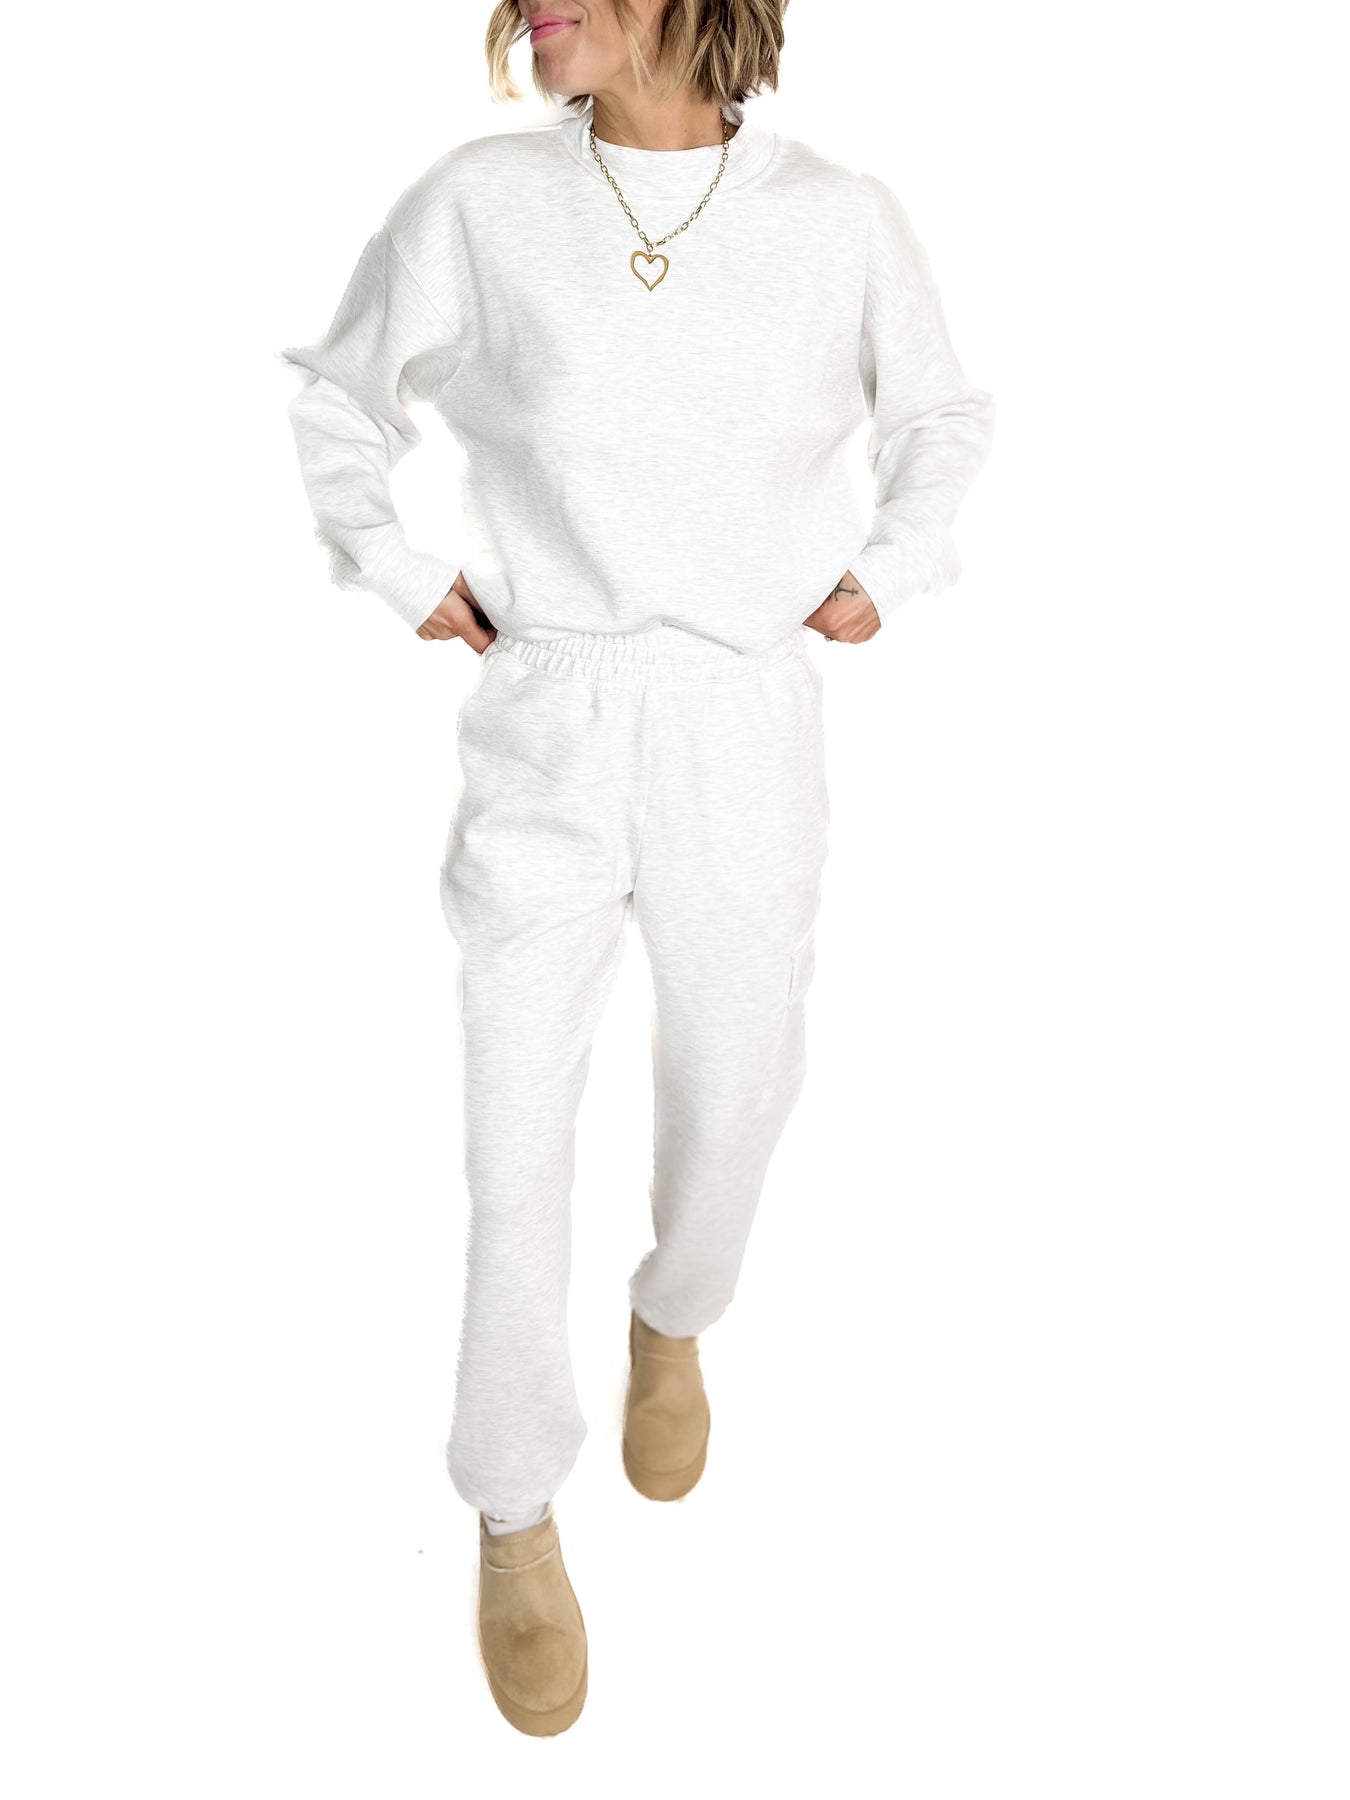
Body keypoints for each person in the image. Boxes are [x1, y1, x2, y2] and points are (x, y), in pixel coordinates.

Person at [278, 0, 995, 1737]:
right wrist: (395, 569)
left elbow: (942, 416)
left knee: (737, 1078)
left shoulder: (836, 219)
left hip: (740, 715)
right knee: (513, 1135)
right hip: (547, 711)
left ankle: (674, 1315)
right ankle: (511, 1506)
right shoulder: (477, 204)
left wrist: (893, 565)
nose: (530, 6)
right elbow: (339, 397)